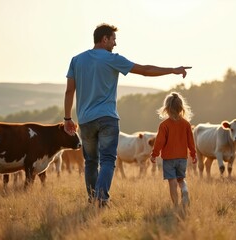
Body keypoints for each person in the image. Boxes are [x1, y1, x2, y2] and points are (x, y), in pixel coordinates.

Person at [63, 23, 192, 208]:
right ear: (104, 39)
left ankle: (93, 199)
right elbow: (145, 70)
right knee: (108, 160)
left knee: (91, 161)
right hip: (107, 118)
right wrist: (172, 70)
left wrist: (67, 119)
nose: (115, 44)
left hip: (85, 120)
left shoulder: (76, 60)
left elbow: (69, 92)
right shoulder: (111, 59)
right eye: (113, 39)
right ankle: (101, 197)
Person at [150, 92, 197, 208]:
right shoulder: (186, 124)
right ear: (181, 108)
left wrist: (154, 154)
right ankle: (185, 190)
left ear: (166, 108)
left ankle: (176, 205)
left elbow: (159, 142)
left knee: (172, 181)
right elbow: (191, 141)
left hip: (169, 158)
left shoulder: (164, 125)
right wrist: (193, 153)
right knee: (181, 179)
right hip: (182, 158)